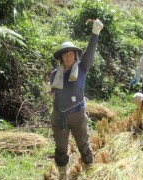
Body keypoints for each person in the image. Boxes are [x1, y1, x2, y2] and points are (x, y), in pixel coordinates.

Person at [47, 19, 103, 179]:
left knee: (84, 145)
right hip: (59, 116)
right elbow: (52, 93)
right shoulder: (54, 74)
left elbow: (90, 51)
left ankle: (90, 172)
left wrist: (95, 33)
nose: (68, 56)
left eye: (71, 53)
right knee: (61, 148)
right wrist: (48, 89)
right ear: (61, 57)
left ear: (75, 55)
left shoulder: (82, 68)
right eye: (65, 54)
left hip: (78, 114)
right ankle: (63, 176)